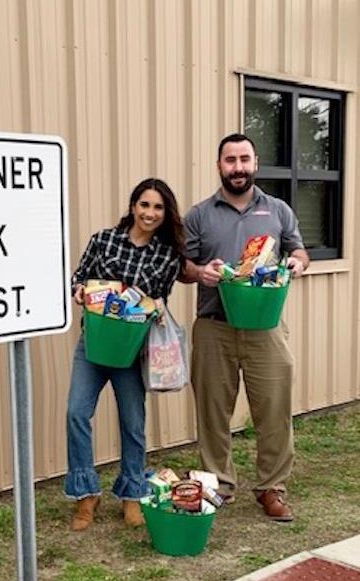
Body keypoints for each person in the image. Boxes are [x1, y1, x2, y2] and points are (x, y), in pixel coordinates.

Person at [180, 133, 309, 522]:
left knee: (274, 408)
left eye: (244, 160)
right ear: (219, 165)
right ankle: (219, 483)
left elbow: (298, 249)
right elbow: (181, 265)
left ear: (255, 163)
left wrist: (297, 264)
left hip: (264, 326)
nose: (238, 167)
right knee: (212, 411)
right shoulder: (199, 214)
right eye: (230, 160)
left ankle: (272, 488)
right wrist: (200, 272)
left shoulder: (278, 210)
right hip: (214, 326)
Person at [65, 177, 185, 531]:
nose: (150, 213)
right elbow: (79, 277)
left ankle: (132, 494)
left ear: (166, 214)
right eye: (144, 204)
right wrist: (79, 292)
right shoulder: (104, 240)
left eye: (158, 207)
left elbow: (159, 298)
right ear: (133, 205)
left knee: (133, 423)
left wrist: (157, 307)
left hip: (132, 349)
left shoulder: (168, 256)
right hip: (95, 343)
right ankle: (87, 494)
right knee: (76, 412)